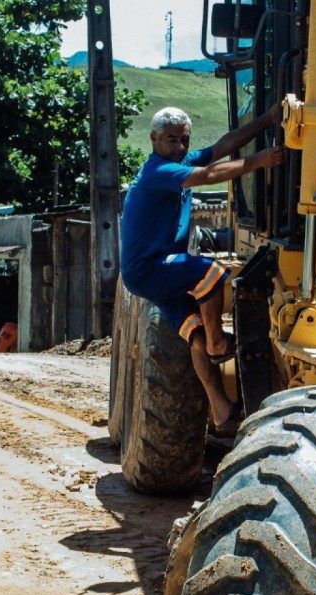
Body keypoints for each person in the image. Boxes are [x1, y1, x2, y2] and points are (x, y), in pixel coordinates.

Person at [120, 105, 284, 433]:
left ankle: (222, 410)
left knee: (192, 333)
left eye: (184, 140)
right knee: (212, 273)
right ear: (153, 139)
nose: (180, 147)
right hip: (151, 268)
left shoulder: (178, 160)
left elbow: (222, 147)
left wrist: (266, 119)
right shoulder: (159, 172)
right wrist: (258, 161)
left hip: (153, 271)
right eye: (171, 140)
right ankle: (217, 343)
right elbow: (209, 175)